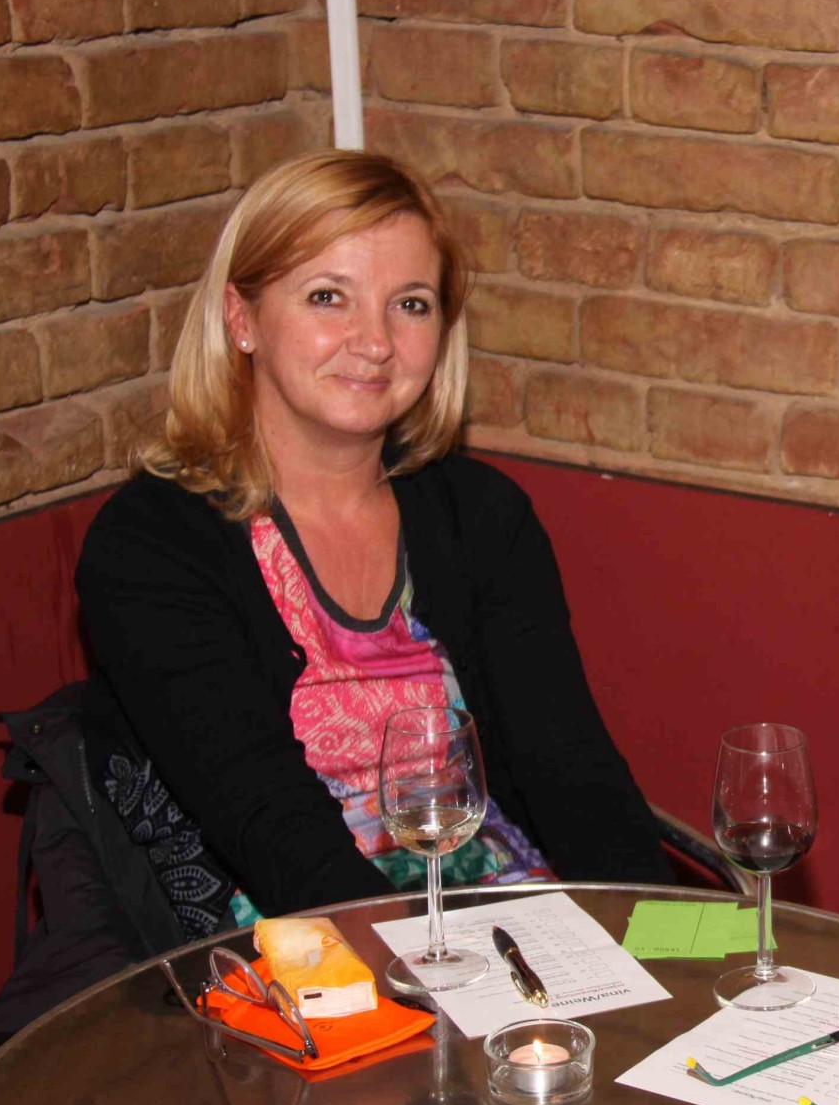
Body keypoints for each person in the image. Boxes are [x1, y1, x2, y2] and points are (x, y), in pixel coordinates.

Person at [74, 149, 670, 941]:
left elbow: (574, 774)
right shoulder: (153, 545)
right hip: (307, 961)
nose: (376, 341)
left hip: (526, 938)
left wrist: (681, 953)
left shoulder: (481, 515)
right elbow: (275, 833)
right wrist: (430, 977)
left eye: (411, 305)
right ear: (241, 318)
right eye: (329, 296)